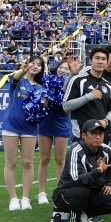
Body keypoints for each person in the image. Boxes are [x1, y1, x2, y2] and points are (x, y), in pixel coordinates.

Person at [49, 119, 111, 222]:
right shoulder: (76, 151)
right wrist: (97, 172)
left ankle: (84, 214)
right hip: (66, 194)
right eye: (93, 134)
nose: (98, 137)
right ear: (83, 135)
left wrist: (109, 184)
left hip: (90, 191)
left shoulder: (106, 149)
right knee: (82, 189)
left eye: (100, 134)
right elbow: (78, 180)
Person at [1, 56, 43, 211]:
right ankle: (13, 198)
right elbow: (15, 77)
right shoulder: (18, 81)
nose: (35, 66)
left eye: (39, 65)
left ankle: (25, 197)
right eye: (33, 63)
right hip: (11, 125)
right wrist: (22, 70)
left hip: (30, 128)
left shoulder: (39, 88)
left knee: (28, 162)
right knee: (11, 162)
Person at [36, 59, 73, 207]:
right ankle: (41, 192)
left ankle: (60, 191)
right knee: (44, 159)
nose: (63, 70)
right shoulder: (47, 81)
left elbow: (66, 110)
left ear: (70, 72)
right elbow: (43, 104)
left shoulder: (70, 86)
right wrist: (44, 100)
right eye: (61, 67)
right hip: (45, 123)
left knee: (61, 160)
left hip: (61, 123)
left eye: (66, 68)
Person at [62, 47, 111, 142]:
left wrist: (106, 121)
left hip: (102, 136)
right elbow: (66, 106)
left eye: (103, 59)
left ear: (107, 63)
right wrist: (89, 96)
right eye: (97, 58)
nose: (100, 61)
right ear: (90, 61)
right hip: (82, 136)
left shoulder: (108, 85)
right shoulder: (78, 80)